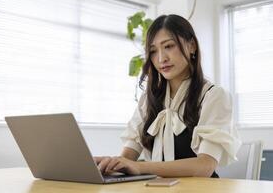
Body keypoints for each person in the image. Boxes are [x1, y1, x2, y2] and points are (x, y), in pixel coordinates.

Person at [95, 14, 241, 178]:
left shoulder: (214, 96)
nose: (161, 58)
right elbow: (127, 159)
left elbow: (204, 166)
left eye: (169, 46)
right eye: (153, 51)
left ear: (192, 46)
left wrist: (141, 167)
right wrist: (107, 164)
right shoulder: (148, 99)